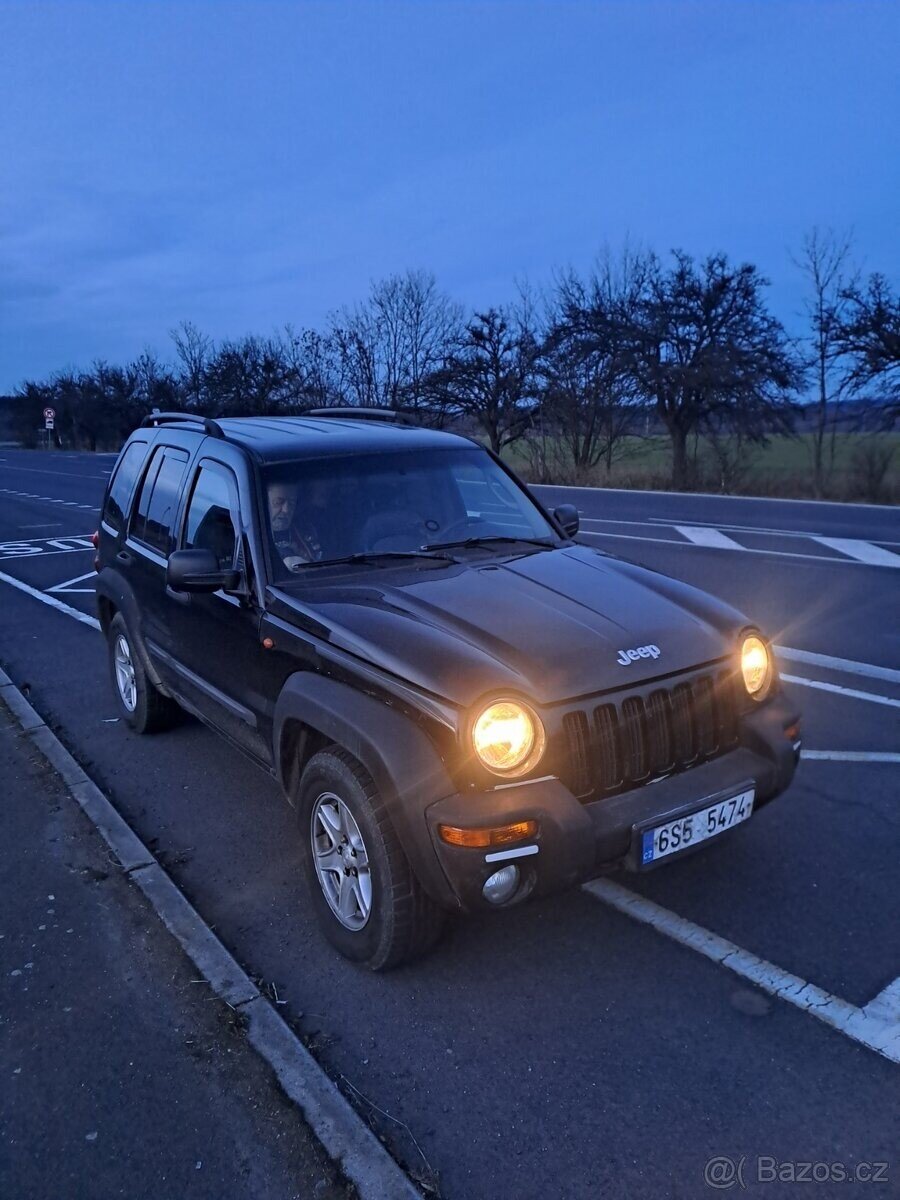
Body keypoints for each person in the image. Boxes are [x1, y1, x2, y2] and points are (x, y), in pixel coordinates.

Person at [267, 480, 322, 569]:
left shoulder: (306, 531)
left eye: (292, 503)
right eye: (278, 502)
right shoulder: (251, 538)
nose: (286, 510)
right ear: (264, 502)